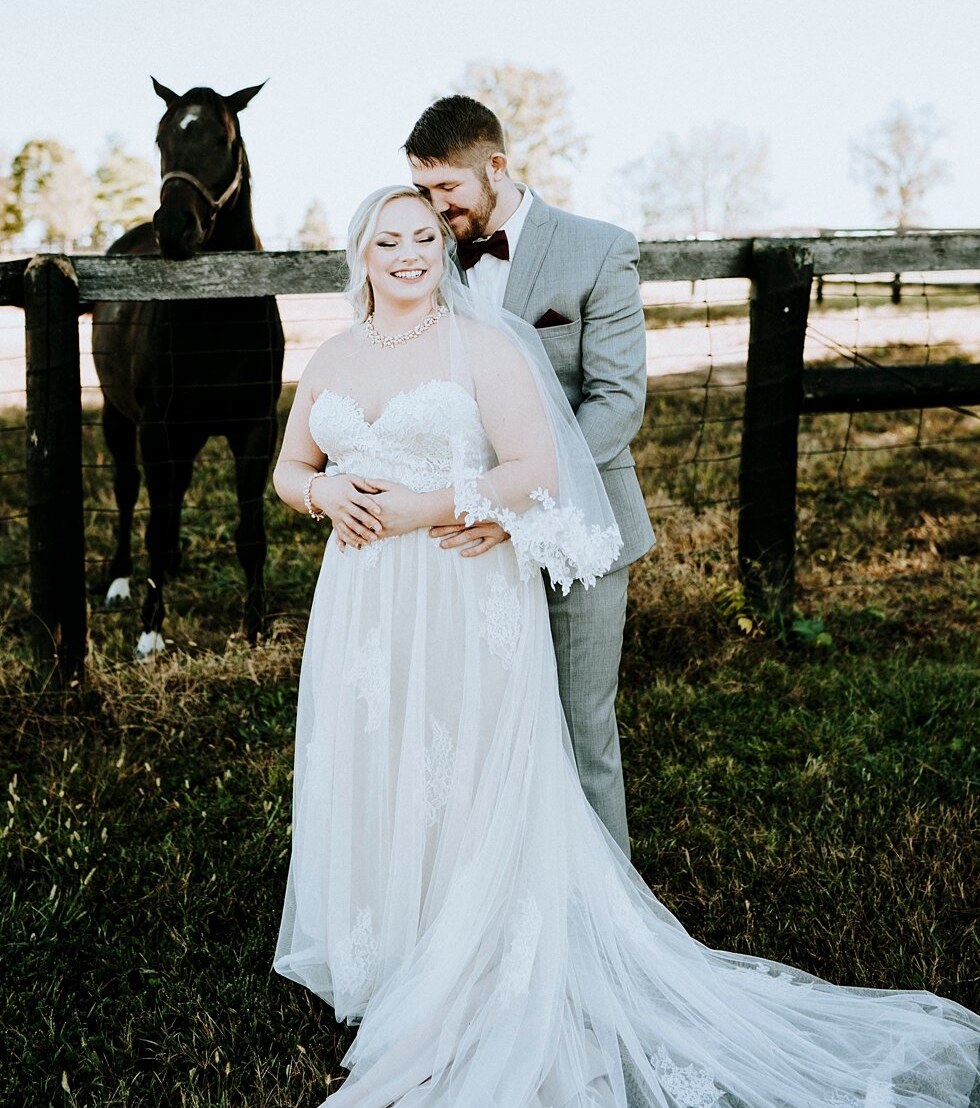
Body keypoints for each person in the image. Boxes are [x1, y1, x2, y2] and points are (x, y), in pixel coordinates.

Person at [272, 185, 979, 1108]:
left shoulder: (481, 345)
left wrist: (425, 507)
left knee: (464, 763)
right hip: (363, 600)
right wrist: (323, 498)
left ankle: (467, 956)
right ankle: (390, 944)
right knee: (382, 755)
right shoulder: (331, 355)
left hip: (460, 583)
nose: (406, 254)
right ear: (359, 253)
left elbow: (534, 469)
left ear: (437, 250)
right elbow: (291, 467)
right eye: (386, 241)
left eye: (420, 238)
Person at [400, 93, 654, 857]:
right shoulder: (427, 253)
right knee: (478, 724)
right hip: (462, 536)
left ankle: (610, 920)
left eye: (447, 189)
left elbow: (618, 401)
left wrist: (519, 495)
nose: (435, 209)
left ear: (497, 167)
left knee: (581, 731)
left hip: (576, 525)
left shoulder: (598, 250)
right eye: (423, 190)